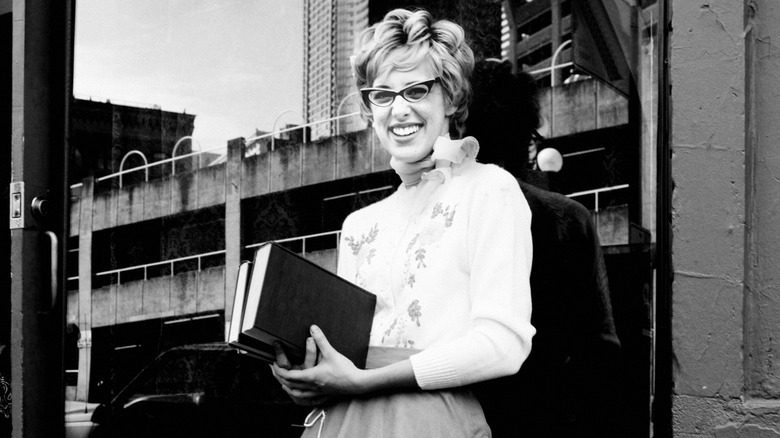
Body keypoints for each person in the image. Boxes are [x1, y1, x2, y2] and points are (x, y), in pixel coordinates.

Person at [271, 9, 535, 437]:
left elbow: (504, 346)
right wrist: (308, 375)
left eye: (416, 90)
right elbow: (350, 352)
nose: (399, 110)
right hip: (347, 423)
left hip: (436, 422)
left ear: (449, 98)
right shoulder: (358, 225)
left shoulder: (489, 189)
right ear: (368, 107)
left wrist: (363, 381)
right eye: (382, 95)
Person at [465, 58, 622, 437]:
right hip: (544, 416)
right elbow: (601, 351)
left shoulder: (438, 215)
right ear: (523, 135)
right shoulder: (567, 218)